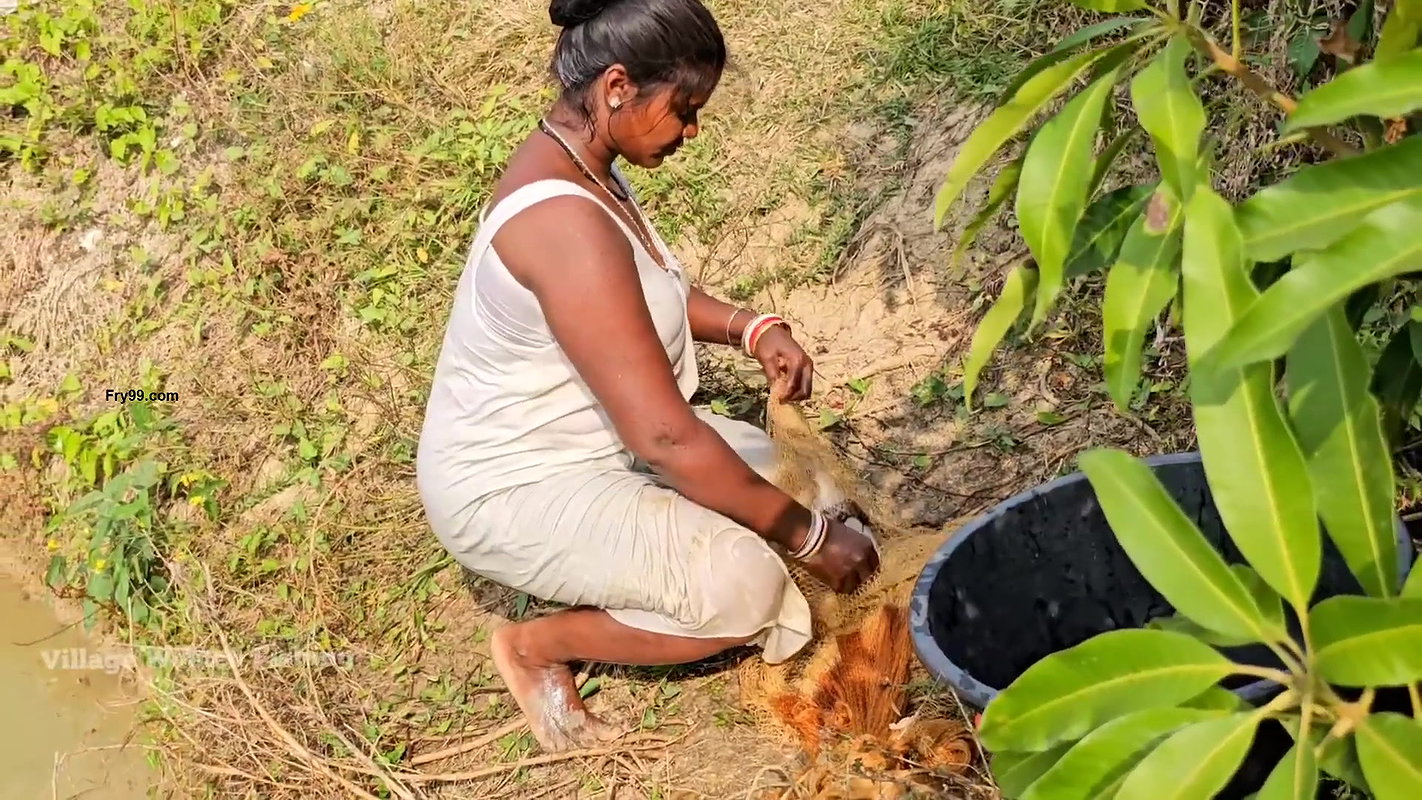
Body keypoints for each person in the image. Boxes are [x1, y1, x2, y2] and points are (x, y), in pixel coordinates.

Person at [415, 0, 879, 752]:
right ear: (619, 86)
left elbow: (642, 299)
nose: (691, 131)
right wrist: (807, 539)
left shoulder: (585, 162)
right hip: (516, 486)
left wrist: (751, 328)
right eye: (686, 108)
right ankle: (538, 647)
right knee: (745, 586)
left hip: (604, 442)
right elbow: (665, 435)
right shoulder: (564, 223)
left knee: (808, 483)